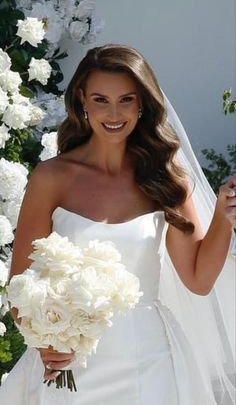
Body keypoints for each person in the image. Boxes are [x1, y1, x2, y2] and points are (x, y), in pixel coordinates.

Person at [1, 44, 235, 404]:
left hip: (150, 360)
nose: (114, 113)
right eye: (100, 99)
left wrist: (223, 216)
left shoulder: (167, 179)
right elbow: (20, 283)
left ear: (143, 103)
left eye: (126, 99)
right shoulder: (52, 178)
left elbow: (199, 280)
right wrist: (47, 344)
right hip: (70, 363)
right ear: (82, 100)